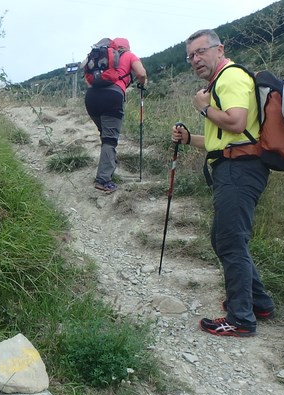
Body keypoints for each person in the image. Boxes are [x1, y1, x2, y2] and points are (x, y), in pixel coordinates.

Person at [171, 29, 274, 337]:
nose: (195, 59)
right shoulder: (219, 83)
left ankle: (241, 319)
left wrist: (204, 108)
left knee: (230, 241)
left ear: (220, 49)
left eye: (201, 51)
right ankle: (259, 302)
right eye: (191, 55)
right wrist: (189, 139)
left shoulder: (230, 78)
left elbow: (236, 122)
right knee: (223, 238)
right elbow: (222, 141)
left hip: (240, 170)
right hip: (234, 165)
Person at [84, 38, 147, 193]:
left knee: (105, 134)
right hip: (112, 96)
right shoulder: (130, 55)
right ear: (127, 47)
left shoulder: (100, 57)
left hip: (91, 97)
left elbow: (87, 79)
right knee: (110, 139)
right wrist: (142, 83)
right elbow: (141, 73)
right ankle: (103, 180)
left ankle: (109, 163)